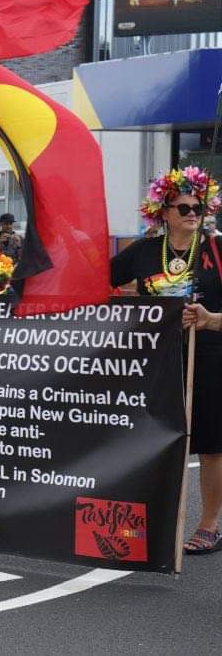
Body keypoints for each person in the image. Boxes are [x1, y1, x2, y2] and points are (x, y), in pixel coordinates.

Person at [111, 166, 222, 555]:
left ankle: (210, 524)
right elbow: (94, 280)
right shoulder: (143, 252)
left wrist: (212, 320)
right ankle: (152, 521)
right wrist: (4, 269)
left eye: (200, 206)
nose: (194, 213)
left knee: (211, 446)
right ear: (164, 212)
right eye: (184, 207)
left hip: (210, 359)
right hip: (156, 362)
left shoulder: (217, 249)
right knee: (153, 441)